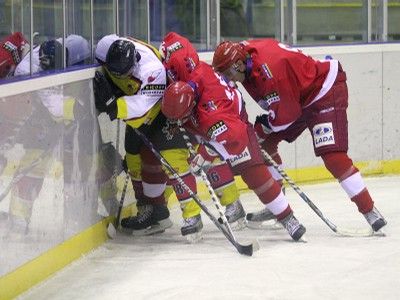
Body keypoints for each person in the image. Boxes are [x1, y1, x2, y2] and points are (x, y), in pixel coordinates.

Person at [212, 39, 387, 232]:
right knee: (264, 145)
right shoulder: (243, 54)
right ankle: (276, 203)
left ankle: (369, 210)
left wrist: (264, 127)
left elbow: (286, 116)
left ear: (238, 64)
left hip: (323, 91)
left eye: (229, 73)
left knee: (333, 157)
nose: (230, 79)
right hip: (296, 96)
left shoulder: (270, 73)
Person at [94, 34, 246, 241]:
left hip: (182, 111)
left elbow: (142, 107)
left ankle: (216, 208)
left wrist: (115, 105)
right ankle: (151, 211)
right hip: (173, 106)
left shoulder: (157, 71)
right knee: (135, 155)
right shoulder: (113, 49)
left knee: (181, 161)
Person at [161, 60, 307, 241]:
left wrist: (208, 153)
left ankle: (288, 218)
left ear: (190, 107)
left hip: (235, 124)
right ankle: (231, 207)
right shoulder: (195, 76)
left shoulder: (212, 117)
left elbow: (237, 141)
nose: (177, 122)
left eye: (180, 117)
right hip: (217, 114)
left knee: (255, 174)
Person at [159, 32, 247, 235]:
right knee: (175, 158)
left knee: (210, 156)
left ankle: (233, 205)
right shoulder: (183, 72)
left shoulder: (211, 111)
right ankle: (191, 215)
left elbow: (235, 140)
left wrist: (207, 152)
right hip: (199, 109)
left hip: (227, 118)